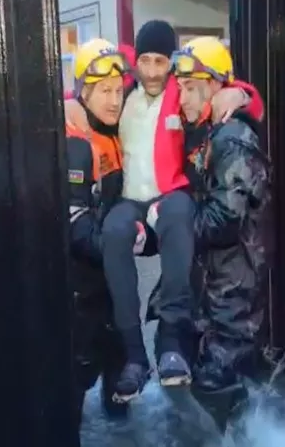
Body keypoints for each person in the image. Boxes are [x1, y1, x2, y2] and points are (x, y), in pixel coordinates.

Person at [64, 20, 264, 403]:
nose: (153, 71)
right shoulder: (124, 94)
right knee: (114, 235)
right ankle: (134, 357)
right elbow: (91, 88)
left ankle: (171, 344)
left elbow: (223, 90)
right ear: (136, 63)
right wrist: (68, 101)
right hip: (126, 209)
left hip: (170, 200)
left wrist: (240, 94)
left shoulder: (179, 93)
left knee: (177, 219)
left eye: (161, 62)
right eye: (145, 61)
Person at [171, 36, 273, 392]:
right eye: (180, 88)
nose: (182, 98)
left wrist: (169, 228)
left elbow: (225, 219)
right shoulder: (211, 130)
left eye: (191, 88)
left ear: (215, 87)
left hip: (231, 297)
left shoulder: (232, 138)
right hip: (218, 288)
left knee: (221, 390)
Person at [65, 38, 132, 424]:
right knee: (76, 375)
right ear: (84, 93)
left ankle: (122, 425)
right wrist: (119, 246)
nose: (114, 100)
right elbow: (74, 223)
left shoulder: (115, 130)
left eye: (118, 91)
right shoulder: (76, 144)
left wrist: (241, 95)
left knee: (119, 366)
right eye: (104, 91)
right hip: (83, 285)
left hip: (112, 281)